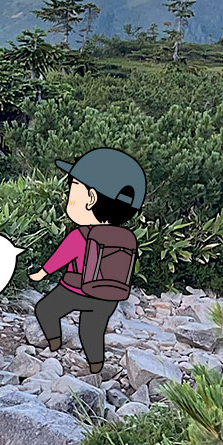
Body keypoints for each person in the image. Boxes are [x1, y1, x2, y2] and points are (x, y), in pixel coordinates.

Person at [28, 147, 146, 382]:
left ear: (91, 198)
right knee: (91, 331)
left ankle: (54, 346)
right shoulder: (126, 237)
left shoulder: (80, 235)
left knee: (45, 310)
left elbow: (59, 258)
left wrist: (41, 273)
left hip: (76, 289)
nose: (68, 197)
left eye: (73, 191)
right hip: (110, 295)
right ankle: (95, 369)